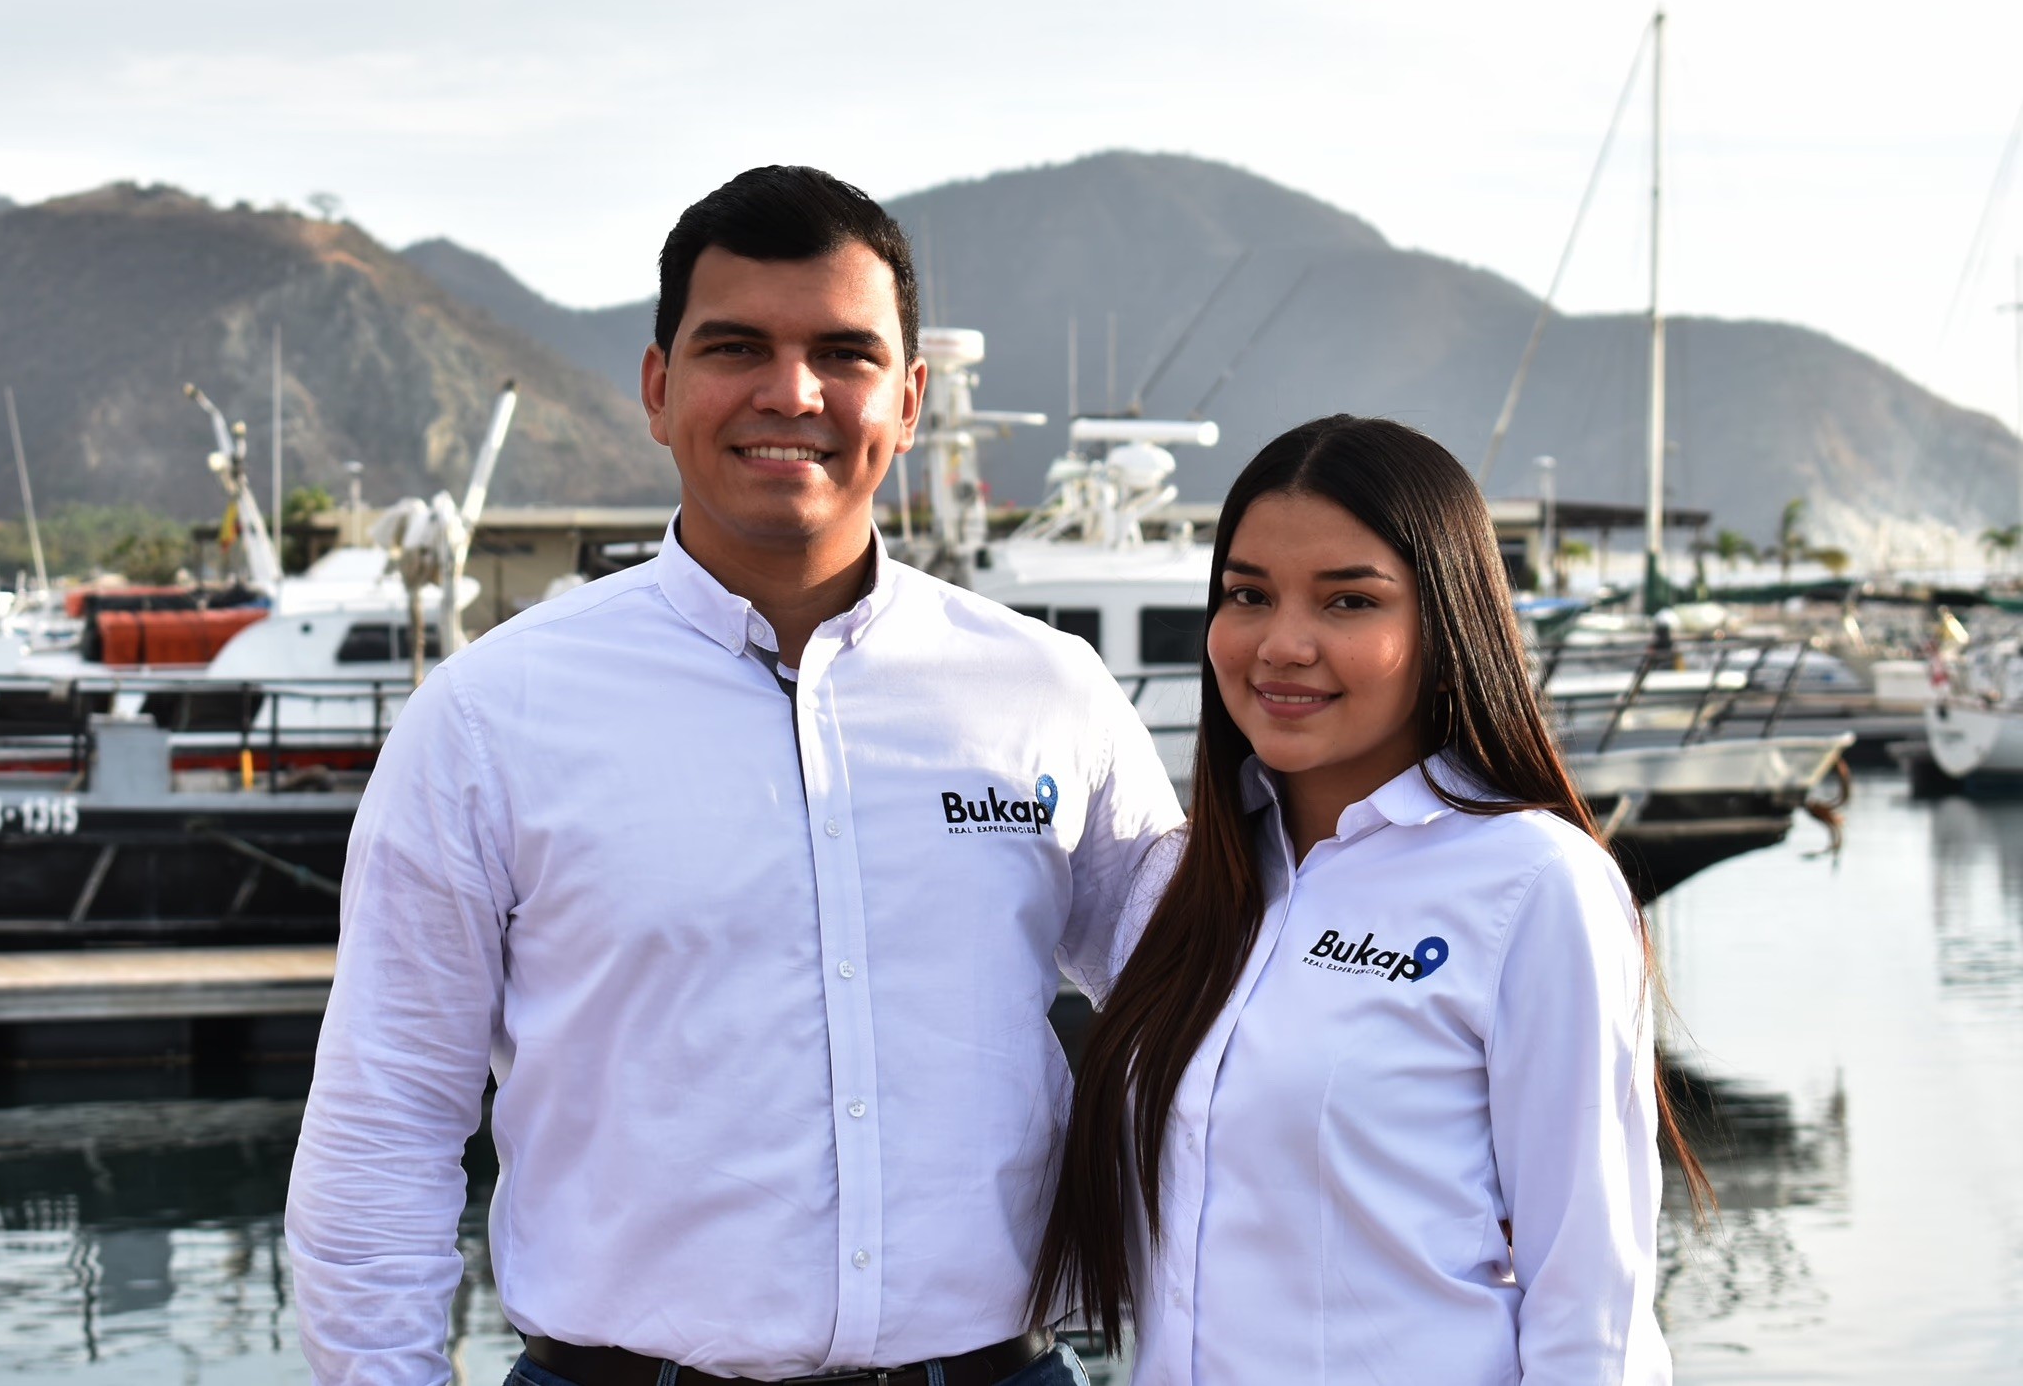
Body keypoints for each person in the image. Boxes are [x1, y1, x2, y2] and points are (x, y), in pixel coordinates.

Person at [286, 165, 1184, 1386]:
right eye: (735, 346)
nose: (791, 392)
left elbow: (1204, 1032)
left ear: (909, 400)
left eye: (844, 353)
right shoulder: (491, 718)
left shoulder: (1047, 694)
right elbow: (383, 1127)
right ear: (658, 389)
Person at [1030, 415, 1705, 1385]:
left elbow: (1590, 1313)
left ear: (1443, 624)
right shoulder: (1182, 888)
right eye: (1246, 596)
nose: (1282, 645)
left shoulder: (1530, 885)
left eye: (1348, 601)